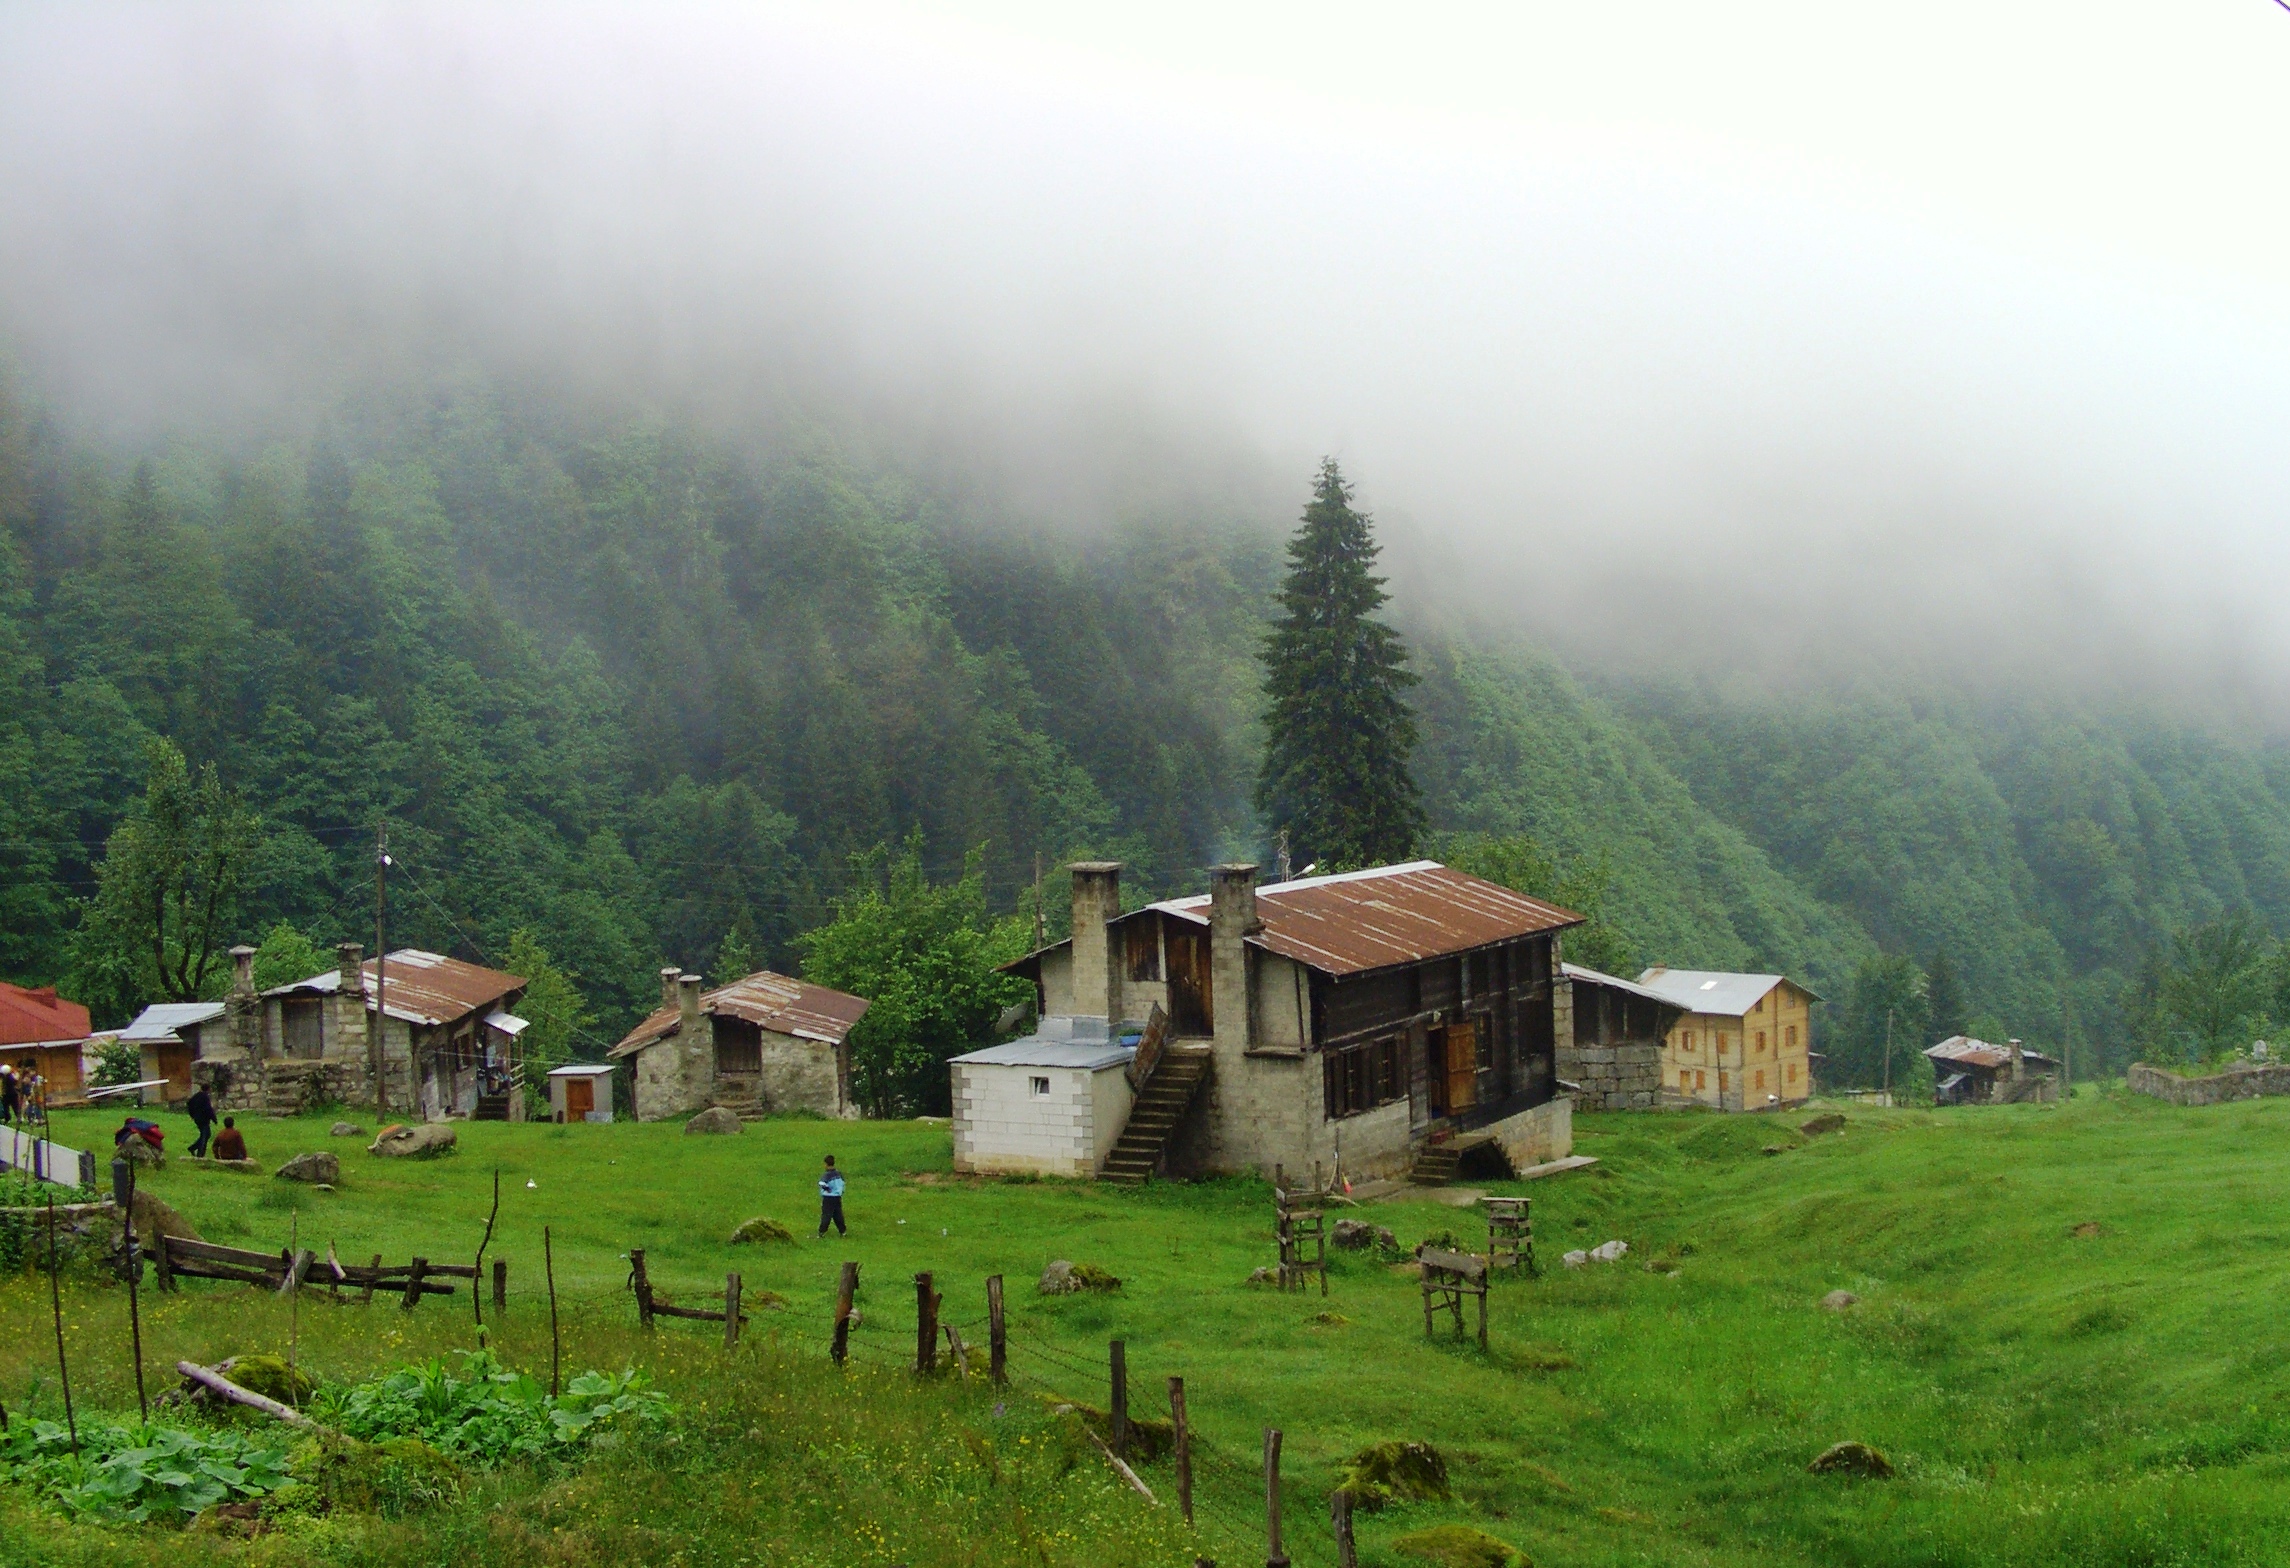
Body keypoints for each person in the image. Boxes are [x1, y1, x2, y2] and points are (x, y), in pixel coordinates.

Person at [816, 1154, 847, 1238]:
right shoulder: (839, 1173)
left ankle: (821, 1232)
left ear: (826, 1164)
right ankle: (843, 1231)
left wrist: (827, 1189)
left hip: (828, 1198)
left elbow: (821, 1183)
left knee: (826, 1215)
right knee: (838, 1215)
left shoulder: (827, 1174)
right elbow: (843, 1183)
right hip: (837, 1197)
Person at [186, 1084, 216, 1158]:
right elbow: (208, 1109)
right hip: (204, 1119)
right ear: (208, 1089)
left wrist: (192, 1114)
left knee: (207, 1134)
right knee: (204, 1135)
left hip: (197, 1118)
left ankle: (193, 1148)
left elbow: (189, 1103)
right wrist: (214, 1118)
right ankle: (200, 1154)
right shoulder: (205, 1097)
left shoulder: (197, 1095)